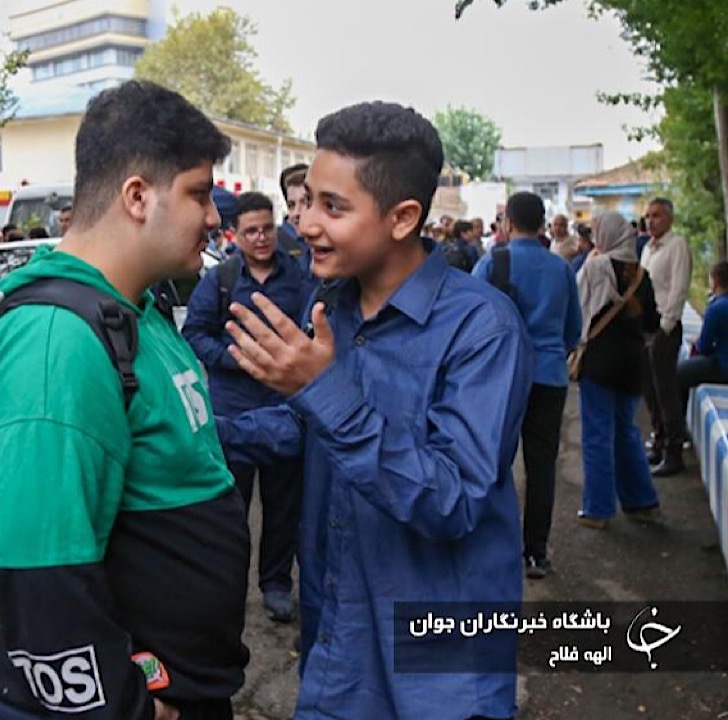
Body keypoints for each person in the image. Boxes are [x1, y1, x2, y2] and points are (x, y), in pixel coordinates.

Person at [217, 101, 531, 720]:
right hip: (338, 651)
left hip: (440, 673)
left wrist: (321, 389)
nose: (305, 224)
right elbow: (306, 431)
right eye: (307, 202)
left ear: (403, 217)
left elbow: (452, 497)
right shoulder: (331, 307)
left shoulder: (482, 328)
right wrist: (194, 429)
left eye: (333, 208)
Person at [0, 79, 247, 720]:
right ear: (138, 196)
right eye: (198, 193)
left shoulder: (135, 312)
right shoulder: (59, 343)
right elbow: (41, 579)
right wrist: (125, 707)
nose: (214, 217)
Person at [182, 191, 313, 622]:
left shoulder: (298, 277)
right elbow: (196, 333)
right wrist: (237, 358)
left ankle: (276, 584)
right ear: (234, 235)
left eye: (267, 229)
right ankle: (226, 588)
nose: (261, 238)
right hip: (231, 412)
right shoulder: (219, 280)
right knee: (229, 508)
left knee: (283, 507)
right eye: (251, 231)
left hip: (283, 410)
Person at [472, 192, 582, 579]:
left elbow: (469, 319)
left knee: (492, 462)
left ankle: (490, 549)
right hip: (550, 377)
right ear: (541, 224)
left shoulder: (492, 263)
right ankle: (536, 553)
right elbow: (574, 330)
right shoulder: (561, 269)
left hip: (502, 378)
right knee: (541, 466)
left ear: (509, 223)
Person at [574, 212, 662, 528]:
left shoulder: (596, 266)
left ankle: (598, 509)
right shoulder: (641, 273)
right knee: (626, 432)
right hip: (633, 363)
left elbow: (578, 308)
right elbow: (652, 321)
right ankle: (641, 501)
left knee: (598, 435)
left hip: (600, 362)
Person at [640, 198, 693, 476]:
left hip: (665, 329)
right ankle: (659, 442)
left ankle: (674, 451)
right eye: (648, 216)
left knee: (666, 391)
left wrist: (665, 327)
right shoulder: (648, 249)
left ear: (670, 219)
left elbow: (678, 289)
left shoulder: (677, 246)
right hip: (646, 328)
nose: (651, 220)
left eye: (657, 215)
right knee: (649, 392)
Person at [677, 262, 728, 418]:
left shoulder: (716, 308)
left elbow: (703, 346)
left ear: (715, 282)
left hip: (723, 367)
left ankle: (679, 426)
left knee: (678, 374)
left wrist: (697, 343)